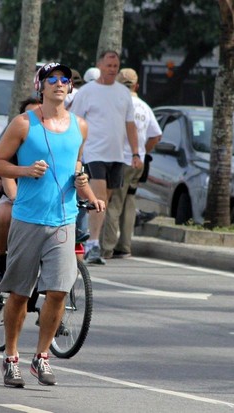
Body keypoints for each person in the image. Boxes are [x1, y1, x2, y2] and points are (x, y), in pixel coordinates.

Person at [0, 62, 105, 388]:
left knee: (57, 291)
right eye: (52, 78)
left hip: (63, 220)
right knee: (20, 294)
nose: (59, 83)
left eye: (65, 79)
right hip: (28, 219)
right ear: (40, 85)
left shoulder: (80, 126)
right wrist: (26, 171)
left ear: (70, 87)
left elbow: (75, 168)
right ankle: (10, 356)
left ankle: (41, 357)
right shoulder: (23, 124)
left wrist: (88, 191)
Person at [70, 50, 143, 264]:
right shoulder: (87, 92)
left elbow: (130, 125)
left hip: (117, 155)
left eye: (115, 66)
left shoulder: (122, 93)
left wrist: (136, 153)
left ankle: (87, 237)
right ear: (99, 65)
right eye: (108, 65)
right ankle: (93, 244)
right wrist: (77, 152)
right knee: (99, 197)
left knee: (105, 201)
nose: (112, 69)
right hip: (93, 152)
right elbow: (76, 121)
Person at [101, 68, 162, 259]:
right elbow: (156, 135)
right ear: (136, 85)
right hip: (138, 162)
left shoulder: (118, 104)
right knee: (129, 202)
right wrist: (143, 151)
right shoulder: (144, 107)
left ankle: (106, 248)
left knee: (113, 204)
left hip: (120, 160)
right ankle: (125, 246)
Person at [0, 97, 42, 281]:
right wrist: (17, 199)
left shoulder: (57, 137)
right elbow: (6, 175)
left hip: (46, 203)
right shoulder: (16, 135)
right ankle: (0, 258)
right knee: (5, 213)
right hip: (15, 199)